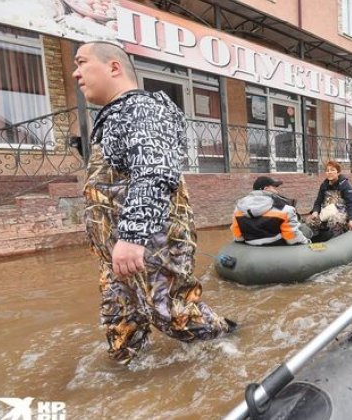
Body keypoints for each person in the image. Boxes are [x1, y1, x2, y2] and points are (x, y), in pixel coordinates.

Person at [74, 41, 235, 364]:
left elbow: (155, 169)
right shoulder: (112, 119)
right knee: (121, 325)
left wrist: (132, 236)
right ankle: (127, 389)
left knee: (174, 314)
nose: (76, 73)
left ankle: (232, 344)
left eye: (81, 62)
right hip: (117, 257)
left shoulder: (142, 109)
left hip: (150, 245)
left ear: (114, 67)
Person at [231, 176, 312, 245]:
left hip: (251, 243)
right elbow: (292, 239)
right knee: (305, 229)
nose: (277, 190)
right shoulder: (285, 209)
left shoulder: (238, 209)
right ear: (267, 189)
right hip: (277, 245)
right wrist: (306, 243)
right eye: (274, 187)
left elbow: (238, 237)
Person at [306, 161, 352, 242]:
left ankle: (334, 240)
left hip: (341, 214)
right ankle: (313, 240)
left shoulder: (345, 185)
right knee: (310, 221)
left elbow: (351, 204)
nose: (329, 172)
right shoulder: (324, 185)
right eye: (327, 170)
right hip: (327, 212)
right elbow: (318, 201)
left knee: (333, 220)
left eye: (332, 170)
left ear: (338, 172)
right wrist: (315, 211)